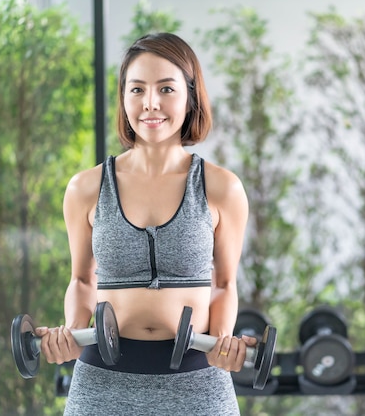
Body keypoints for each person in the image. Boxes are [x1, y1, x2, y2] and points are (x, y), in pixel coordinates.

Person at [34, 32, 252, 415]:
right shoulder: (85, 188)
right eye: (137, 90)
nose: (151, 103)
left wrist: (222, 341)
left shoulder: (223, 188)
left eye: (166, 88)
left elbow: (224, 284)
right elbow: (83, 280)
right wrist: (70, 329)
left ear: (190, 96)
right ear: (123, 98)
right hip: (102, 384)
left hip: (198, 384)